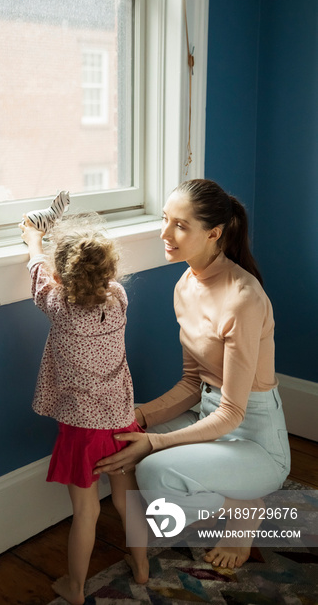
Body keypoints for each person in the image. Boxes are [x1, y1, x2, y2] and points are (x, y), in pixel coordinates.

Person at [93, 178, 291, 570]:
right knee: (118, 432)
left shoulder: (243, 299)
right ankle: (218, 495)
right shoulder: (185, 285)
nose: (165, 233)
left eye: (181, 225)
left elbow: (232, 413)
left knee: (154, 470)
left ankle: (243, 506)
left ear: (214, 233)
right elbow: (191, 383)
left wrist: (153, 443)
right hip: (207, 414)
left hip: (253, 438)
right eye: (166, 220)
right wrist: (141, 417)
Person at [20, 213, 149, 605]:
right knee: (127, 499)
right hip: (122, 420)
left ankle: (75, 589)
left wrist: (32, 239)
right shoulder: (120, 299)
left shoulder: (57, 304)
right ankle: (142, 567)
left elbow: (37, 270)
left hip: (82, 431)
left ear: (62, 278)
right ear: (110, 274)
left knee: (86, 513)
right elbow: (84, 280)